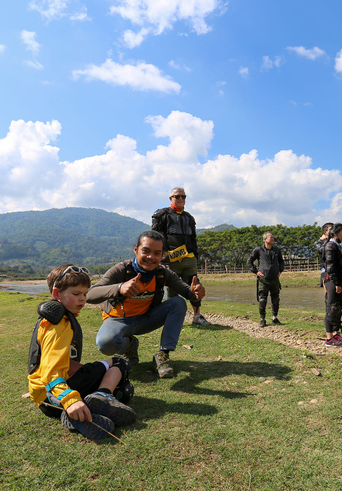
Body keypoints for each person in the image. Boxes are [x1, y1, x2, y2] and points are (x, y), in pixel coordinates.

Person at [27, 264, 137, 440]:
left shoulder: (57, 319)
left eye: (85, 294)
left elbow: (45, 364)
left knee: (124, 389)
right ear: (56, 294)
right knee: (120, 364)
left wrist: (36, 390)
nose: (82, 299)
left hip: (47, 401)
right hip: (60, 398)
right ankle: (97, 399)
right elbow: (51, 369)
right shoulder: (58, 325)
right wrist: (70, 400)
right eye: (76, 294)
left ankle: (84, 412)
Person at [88, 231, 206, 379]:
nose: (151, 257)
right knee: (105, 343)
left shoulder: (162, 273)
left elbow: (187, 292)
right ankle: (130, 345)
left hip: (146, 319)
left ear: (162, 256)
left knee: (178, 303)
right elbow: (90, 294)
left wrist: (196, 292)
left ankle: (163, 355)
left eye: (157, 253)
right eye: (146, 251)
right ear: (136, 250)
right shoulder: (121, 270)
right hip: (118, 320)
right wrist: (119, 288)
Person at [151, 186, 210, 326]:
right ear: (171, 198)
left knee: (195, 285)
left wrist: (195, 256)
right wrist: (162, 257)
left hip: (189, 259)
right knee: (172, 288)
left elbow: (193, 239)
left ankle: (197, 316)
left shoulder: (189, 218)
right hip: (170, 259)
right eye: (177, 196)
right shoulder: (162, 215)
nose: (181, 199)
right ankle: (172, 318)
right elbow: (155, 237)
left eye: (183, 197)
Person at [247, 232, 285, 327]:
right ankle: (262, 319)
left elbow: (281, 262)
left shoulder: (277, 250)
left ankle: (274, 318)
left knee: (276, 299)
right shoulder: (258, 250)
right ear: (265, 239)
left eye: (273, 237)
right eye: (270, 237)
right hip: (263, 279)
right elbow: (249, 261)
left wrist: (280, 270)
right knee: (262, 299)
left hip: (275, 279)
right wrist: (256, 271)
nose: (272, 239)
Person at [324, 223, 342, 347]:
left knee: (338, 308)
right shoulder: (330, 245)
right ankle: (329, 339)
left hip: (341, 281)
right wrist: (337, 283)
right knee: (331, 308)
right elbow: (330, 266)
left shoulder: (338, 246)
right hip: (333, 281)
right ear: (335, 234)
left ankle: (336, 334)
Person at [315, 222, 333, 287]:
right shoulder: (319, 243)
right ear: (325, 231)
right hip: (325, 269)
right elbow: (324, 250)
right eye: (331, 229)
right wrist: (325, 240)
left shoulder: (336, 241)